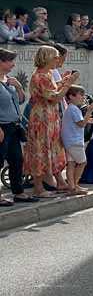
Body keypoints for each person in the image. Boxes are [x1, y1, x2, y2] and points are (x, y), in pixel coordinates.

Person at [25, 45, 76, 197]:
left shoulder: (47, 74)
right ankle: (38, 188)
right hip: (42, 117)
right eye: (55, 57)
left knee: (52, 148)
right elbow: (54, 97)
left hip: (49, 115)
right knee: (40, 150)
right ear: (47, 58)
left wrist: (62, 83)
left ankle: (59, 182)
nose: (58, 60)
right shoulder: (41, 76)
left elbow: (52, 91)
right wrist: (68, 84)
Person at [0, 48, 31, 205]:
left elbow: (20, 100)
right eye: (10, 61)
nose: (13, 64)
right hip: (2, 127)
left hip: (13, 127)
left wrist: (18, 87)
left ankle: (18, 192)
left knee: (17, 160)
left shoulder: (8, 79)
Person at [61, 85, 93, 195]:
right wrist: (89, 112)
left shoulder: (70, 109)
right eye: (81, 95)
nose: (83, 97)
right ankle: (74, 185)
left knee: (71, 164)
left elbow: (77, 122)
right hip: (75, 141)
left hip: (69, 141)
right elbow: (81, 124)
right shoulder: (74, 109)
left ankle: (72, 186)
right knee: (82, 162)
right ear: (71, 96)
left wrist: (87, 120)